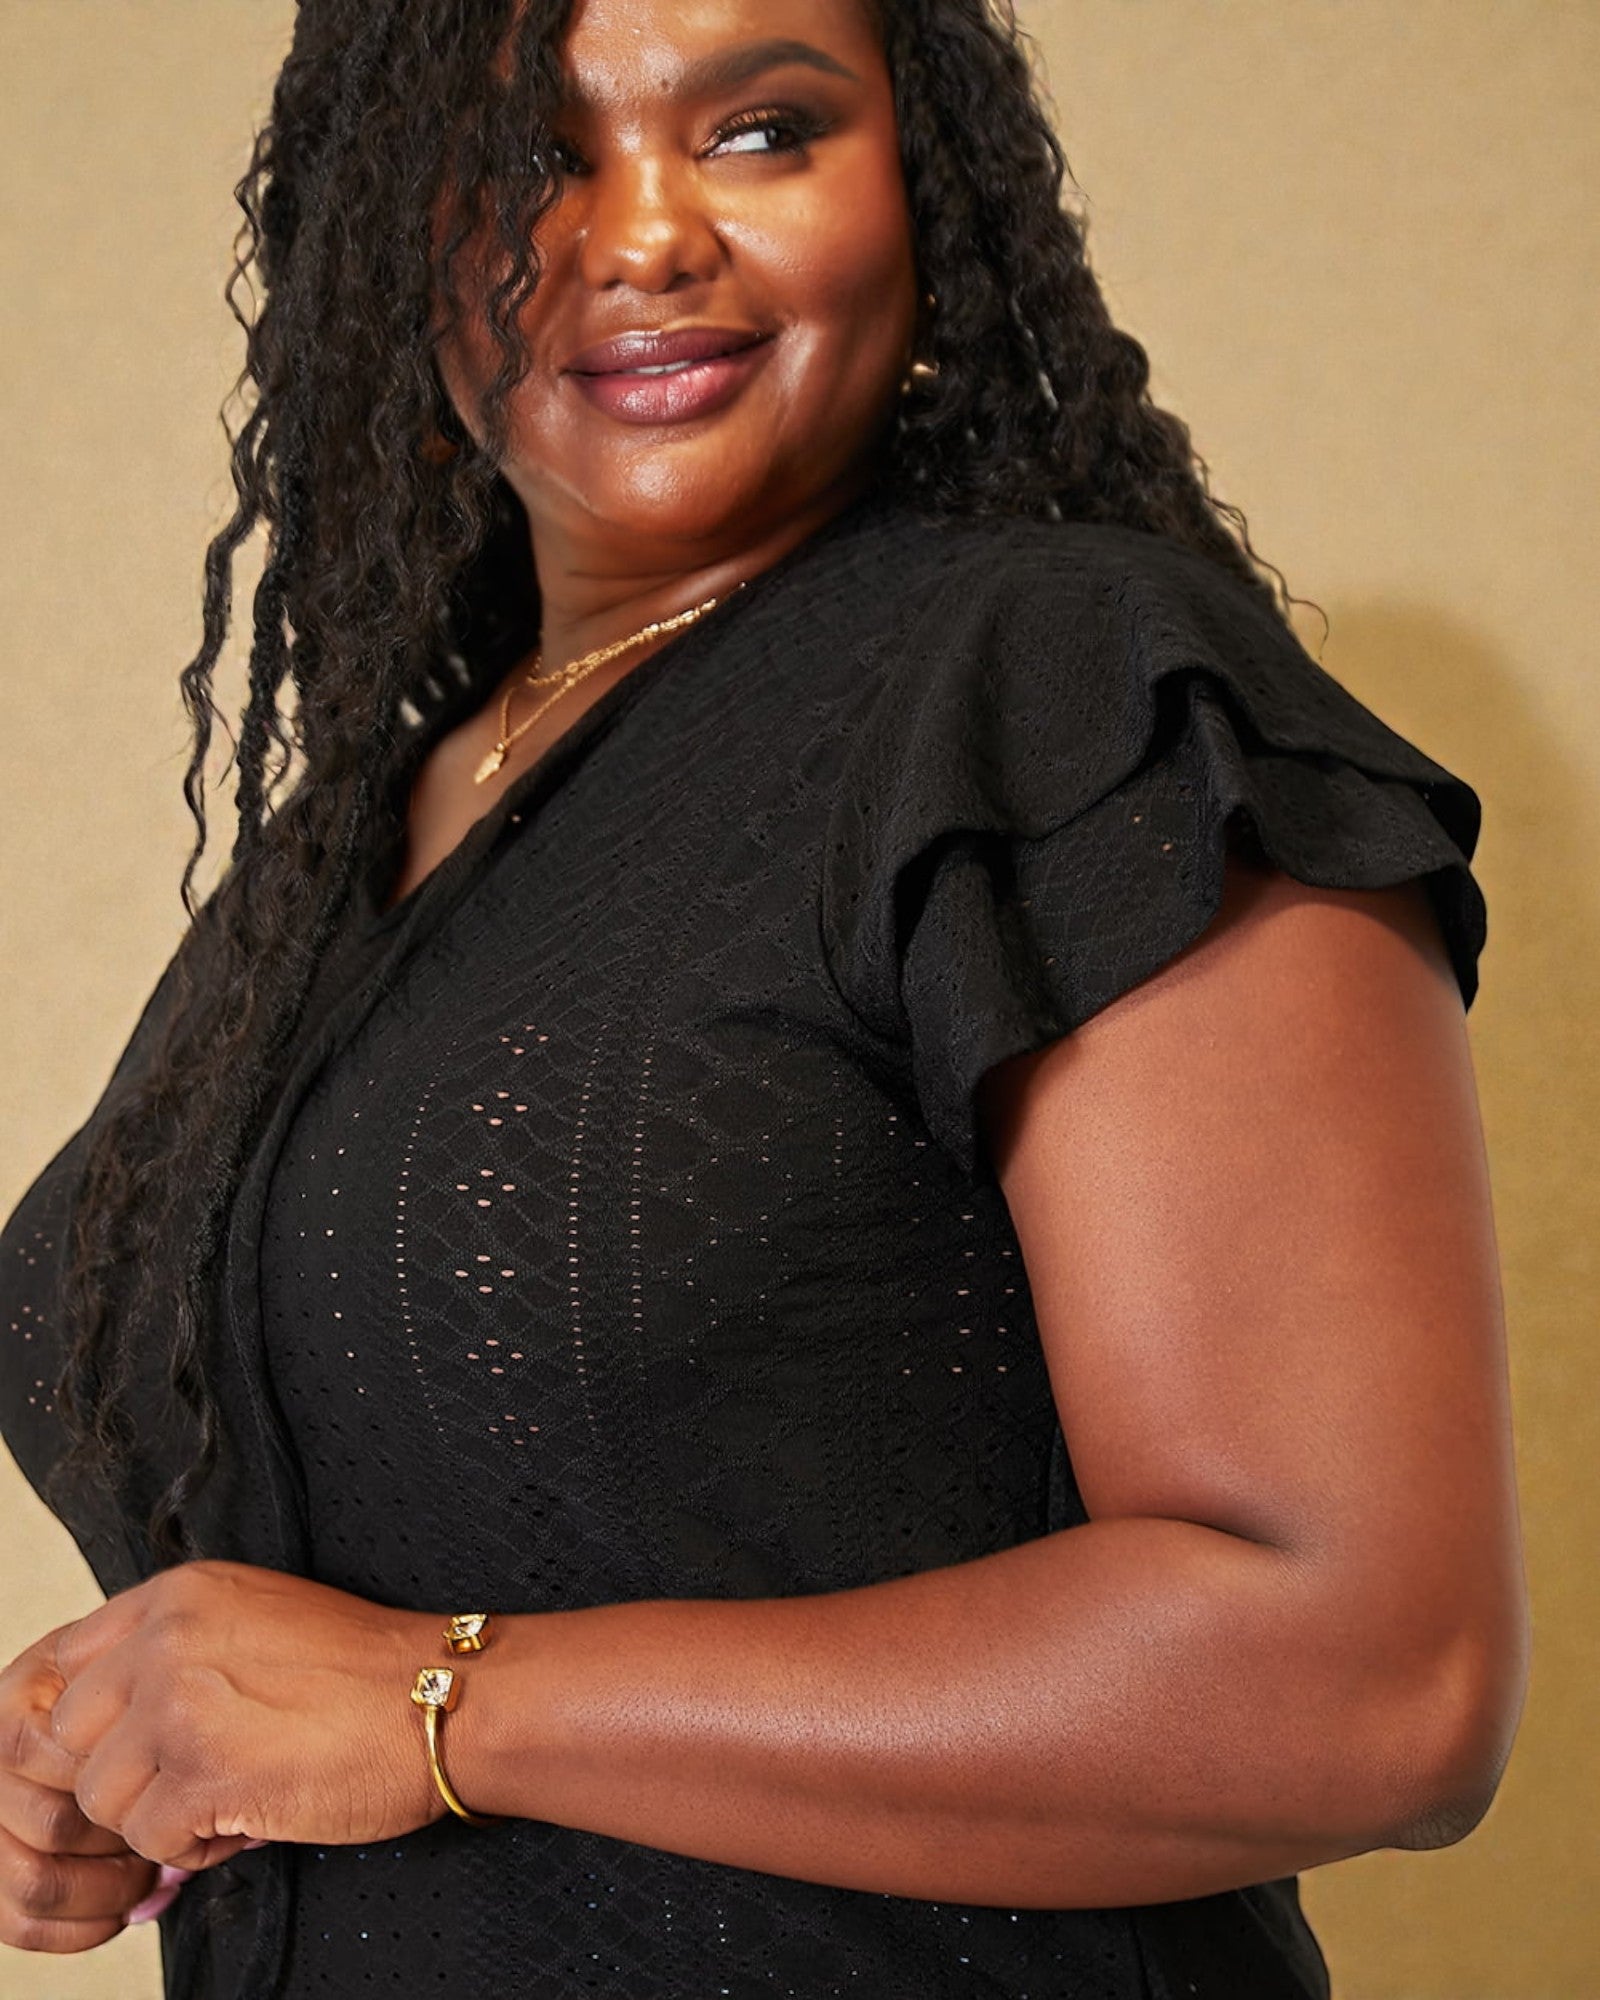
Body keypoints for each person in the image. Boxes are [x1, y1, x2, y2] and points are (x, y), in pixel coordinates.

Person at [0, 0, 1529, 1994]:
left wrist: (438, 1708)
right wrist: (128, 1738)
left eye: (758, 131)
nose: (643, 233)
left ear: (919, 186)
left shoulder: (1056, 690)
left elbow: (1367, 1673)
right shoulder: (357, 832)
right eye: (534, 155)